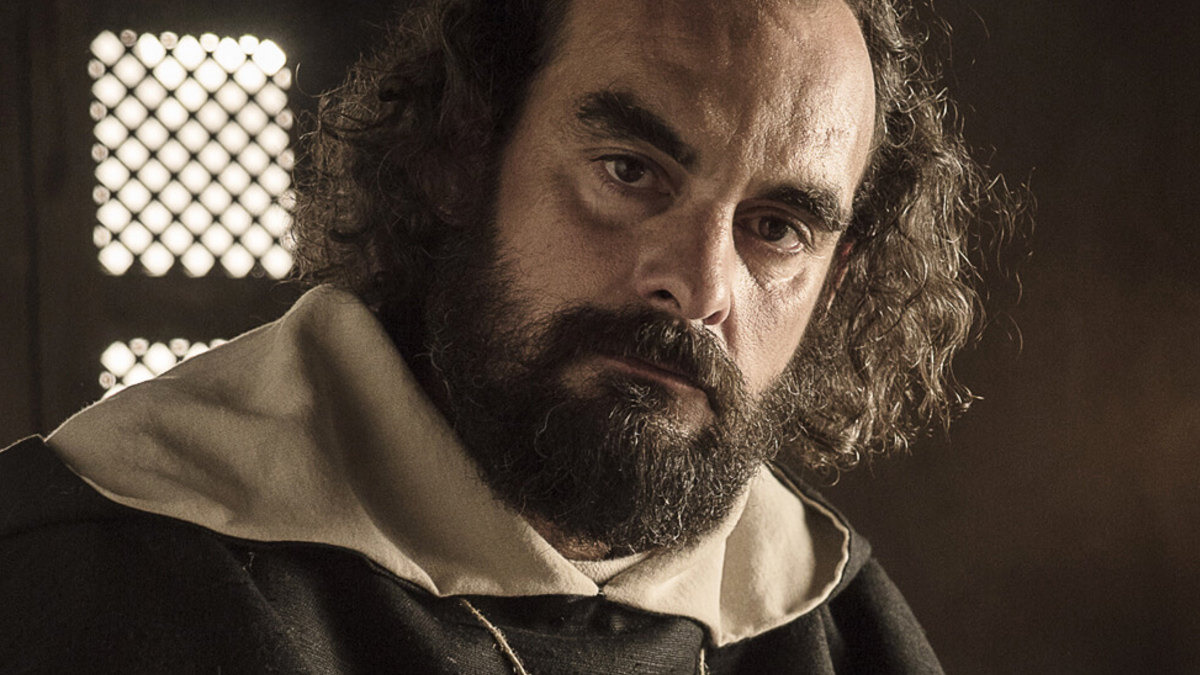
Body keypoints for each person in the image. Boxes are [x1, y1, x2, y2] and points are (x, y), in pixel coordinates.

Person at [0, 0, 1002, 672]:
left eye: (777, 228)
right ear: (460, 156)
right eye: (630, 171)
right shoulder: (100, 576)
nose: (699, 287)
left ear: (836, 276)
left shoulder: (833, 625)